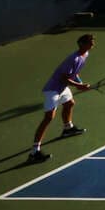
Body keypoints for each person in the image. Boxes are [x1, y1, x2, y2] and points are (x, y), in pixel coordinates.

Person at [29, 34, 95, 163]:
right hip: (53, 89)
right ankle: (34, 152)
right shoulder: (74, 58)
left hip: (63, 87)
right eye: (90, 42)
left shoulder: (85, 55)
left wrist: (80, 83)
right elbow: (63, 77)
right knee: (49, 117)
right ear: (82, 44)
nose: (93, 45)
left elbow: (74, 73)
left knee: (70, 103)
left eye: (93, 42)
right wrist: (79, 86)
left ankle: (68, 128)